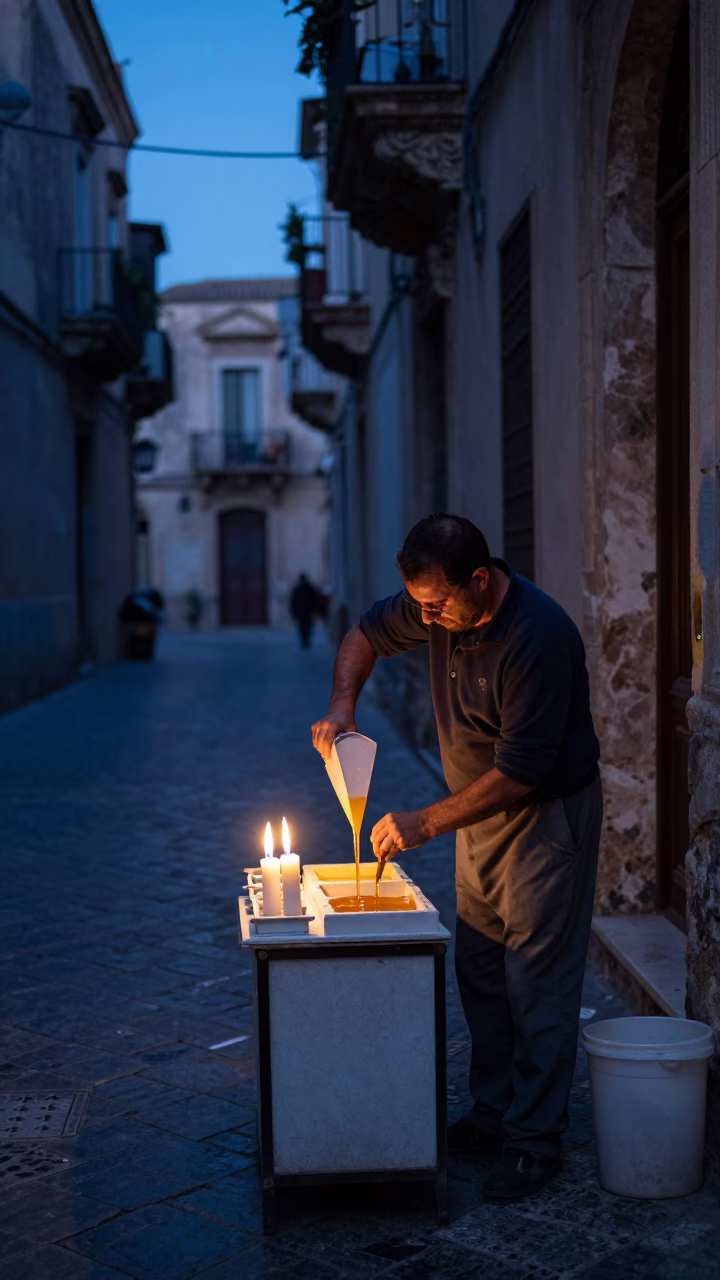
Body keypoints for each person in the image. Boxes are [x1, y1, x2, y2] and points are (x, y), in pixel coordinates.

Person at [311, 514, 602, 1202]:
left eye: (438, 605)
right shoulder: (432, 608)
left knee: (538, 979)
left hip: (544, 818)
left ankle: (535, 1141)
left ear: (479, 580)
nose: (427, 618)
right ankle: (493, 1112)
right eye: (419, 605)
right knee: (479, 967)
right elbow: (363, 634)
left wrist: (425, 822)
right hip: (477, 819)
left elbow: (522, 772)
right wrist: (343, 701)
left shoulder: (537, 637)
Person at [290, 572, 319, 649]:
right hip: (308, 612)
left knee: (302, 627)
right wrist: (315, 610)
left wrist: (294, 613)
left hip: (301, 613)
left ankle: (304, 640)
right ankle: (307, 640)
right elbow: (315, 600)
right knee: (307, 627)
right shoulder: (309, 588)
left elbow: (293, 602)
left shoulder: (298, 588)